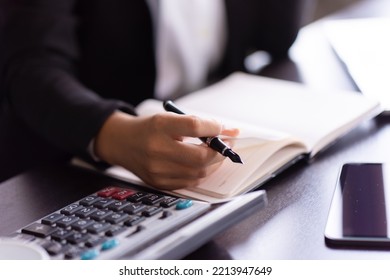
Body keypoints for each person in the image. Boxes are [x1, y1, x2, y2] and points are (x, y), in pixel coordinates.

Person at [0, 0, 305, 187]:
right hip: (62, 168)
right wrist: (109, 134)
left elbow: (277, 35)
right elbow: (31, 66)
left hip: (205, 132)